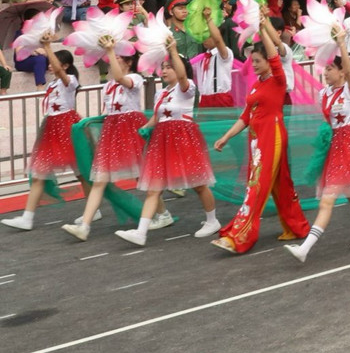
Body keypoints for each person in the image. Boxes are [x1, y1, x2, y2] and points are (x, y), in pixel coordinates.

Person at [208, 18, 313, 253]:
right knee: (281, 185)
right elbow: (245, 117)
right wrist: (226, 137)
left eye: (257, 61)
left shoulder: (278, 80)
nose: (252, 64)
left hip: (272, 138)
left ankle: (238, 236)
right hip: (256, 140)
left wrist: (263, 28)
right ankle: (298, 227)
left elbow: (276, 57)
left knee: (256, 186)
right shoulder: (257, 85)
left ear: (268, 61)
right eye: (251, 60)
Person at [286, 30, 350, 261]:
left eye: (330, 68)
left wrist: (341, 43)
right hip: (336, 147)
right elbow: (326, 124)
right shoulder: (324, 94)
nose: (325, 72)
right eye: (325, 68)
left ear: (341, 71)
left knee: (328, 198)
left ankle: (305, 248)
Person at [115, 40, 221, 247]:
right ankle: (141, 232)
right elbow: (158, 117)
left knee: (198, 185)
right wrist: (144, 128)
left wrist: (173, 50)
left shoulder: (187, 87)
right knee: (154, 188)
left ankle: (212, 220)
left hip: (183, 137)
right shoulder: (160, 93)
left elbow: (182, 76)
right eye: (163, 67)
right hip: (162, 139)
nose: (164, 71)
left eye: (168, 67)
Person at [62, 45, 146, 240]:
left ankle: (160, 214)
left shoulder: (135, 79)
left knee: (141, 176)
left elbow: (120, 78)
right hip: (112, 133)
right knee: (100, 180)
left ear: (129, 63)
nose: (113, 60)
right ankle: (84, 226)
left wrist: (109, 50)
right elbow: (108, 113)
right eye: (113, 57)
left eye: (118, 58)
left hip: (131, 132)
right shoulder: (108, 86)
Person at [2, 35, 81, 231]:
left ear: (65, 65)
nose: (49, 64)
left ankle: (93, 208)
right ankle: (28, 217)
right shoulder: (52, 84)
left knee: (81, 171)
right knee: (39, 173)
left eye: (54, 61)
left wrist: (47, 47)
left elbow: (64, 78)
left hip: (66, 126)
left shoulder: (69, 79)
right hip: (52, 128)